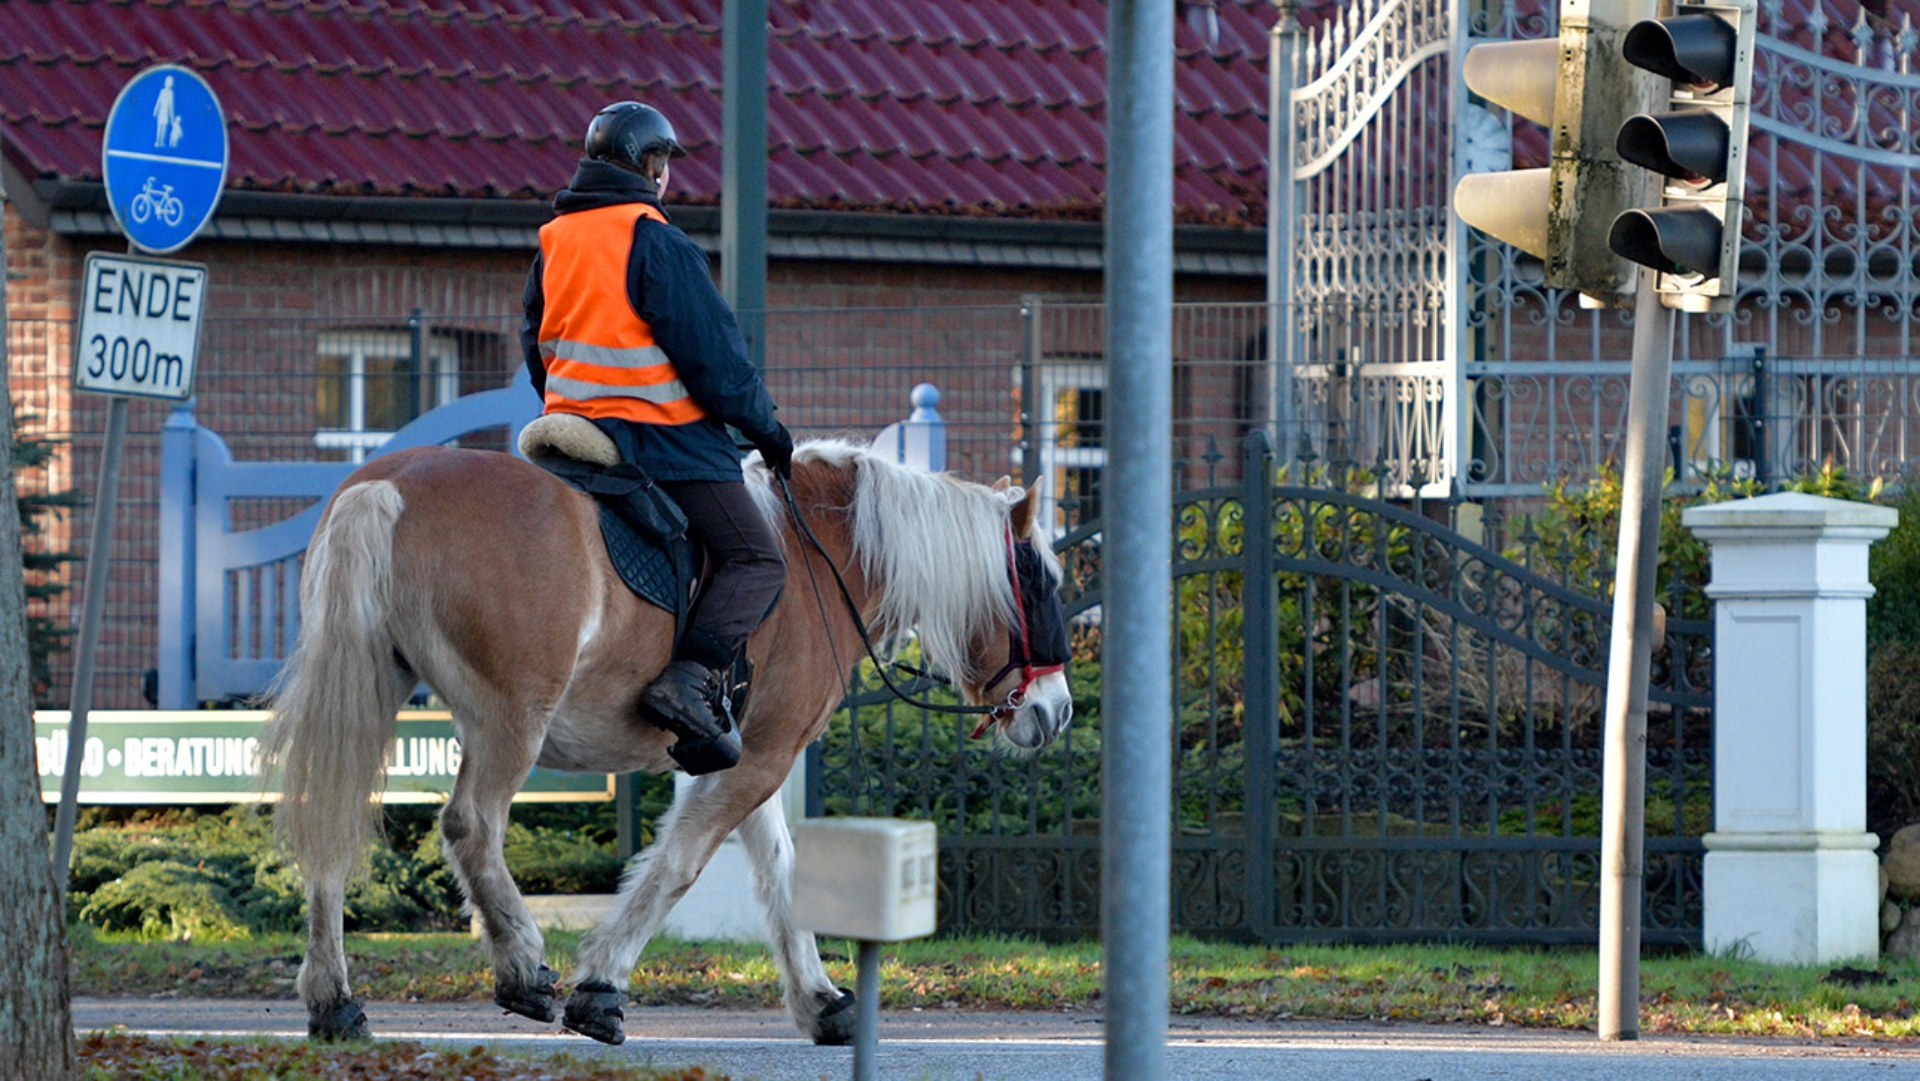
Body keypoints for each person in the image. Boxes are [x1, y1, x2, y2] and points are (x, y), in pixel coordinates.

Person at [520, 101, 793, 773]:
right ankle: (692, 678)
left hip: (573, 437)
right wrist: (770, 432)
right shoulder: (655, 238)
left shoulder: (555, 241)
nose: (667, 175)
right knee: (757, 557)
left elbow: (536, 347)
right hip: (661, 440)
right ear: (648, 166)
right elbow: (717, 363)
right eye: (664, 162)